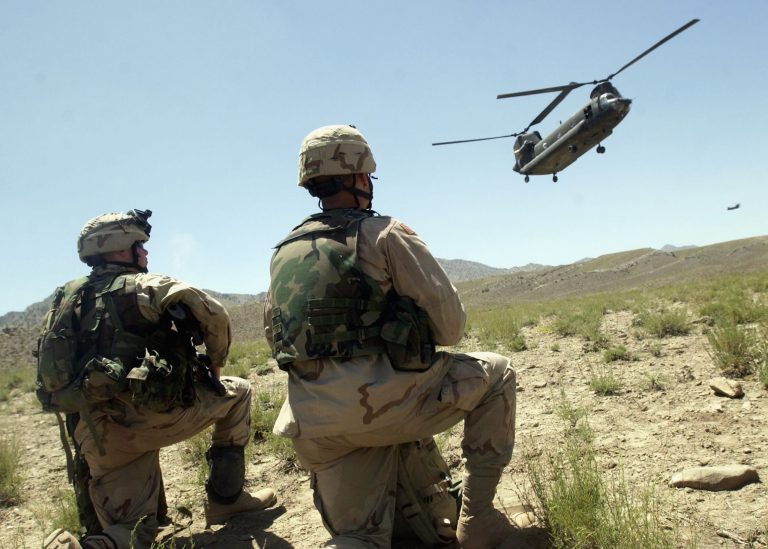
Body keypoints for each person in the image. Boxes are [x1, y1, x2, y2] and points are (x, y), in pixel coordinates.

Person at [263, 125, 520, 548]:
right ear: (362, 176)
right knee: (499, 372)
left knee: (359, 538)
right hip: (389, 410)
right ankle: (481, 519)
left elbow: (279, 338)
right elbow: (450, 328)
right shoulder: (384, 233)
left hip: (314, 427)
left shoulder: (282, 252)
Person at [41, 209, 276, 549]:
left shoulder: (65, 301)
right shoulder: (148, 286)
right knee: (238, 392)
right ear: (122, 250)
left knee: (134, 530)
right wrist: (216, 365)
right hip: (157, 417)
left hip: (98, 435)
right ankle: (227, 499)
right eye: (140, 245)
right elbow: (216, 316)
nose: (146, 252)